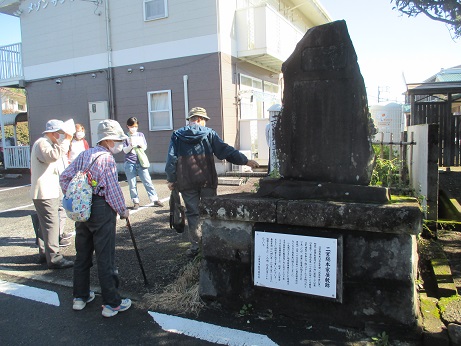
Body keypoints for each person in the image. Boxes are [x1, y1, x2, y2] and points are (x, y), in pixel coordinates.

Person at [60, 119, 132, 317]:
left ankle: (80, 297)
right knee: (105, 256)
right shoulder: (106, 158)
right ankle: (112, 303)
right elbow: (112, 190)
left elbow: (64, 177)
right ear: (108, 140)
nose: (119, 144)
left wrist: (76, 195)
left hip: (82, 209)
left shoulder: (84, 154)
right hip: (101, 208)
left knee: (82, 254)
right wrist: (122, 210)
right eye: (117, 140)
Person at [165, 107, 259, 257]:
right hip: (206, 179)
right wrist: (245, 161)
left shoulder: (177, 135)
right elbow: (226, 151)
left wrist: (171, 179)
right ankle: (212, 243)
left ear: (190, 119)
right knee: (210, 211)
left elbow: (171, 159)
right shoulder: (209, 134)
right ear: (202, 120)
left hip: (186, 181)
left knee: (193, 214)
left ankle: (196, 247)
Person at [30, 119, 74, 269]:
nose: (61, 136)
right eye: (60, 133)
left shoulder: (46, 143)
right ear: (53, 132)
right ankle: (54, 258)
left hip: (48, 191)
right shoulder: (43, 143)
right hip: (45, 192)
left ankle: (45, 253)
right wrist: (66, 140)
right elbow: (52, 156)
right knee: (51, 225)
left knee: (45, 225)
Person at [123, 117, 163, 210]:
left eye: (136, 126)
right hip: (130, 162)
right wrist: (130, 146)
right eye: (132, 126)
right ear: (128, 126)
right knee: (132, 184)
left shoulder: (140, 134)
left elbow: (145, 147)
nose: (134, 128)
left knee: (147, 181)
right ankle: (135, 201)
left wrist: (141, 146)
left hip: (141, 161)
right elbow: (124, 150)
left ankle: (155, 199)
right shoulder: (125, 136)